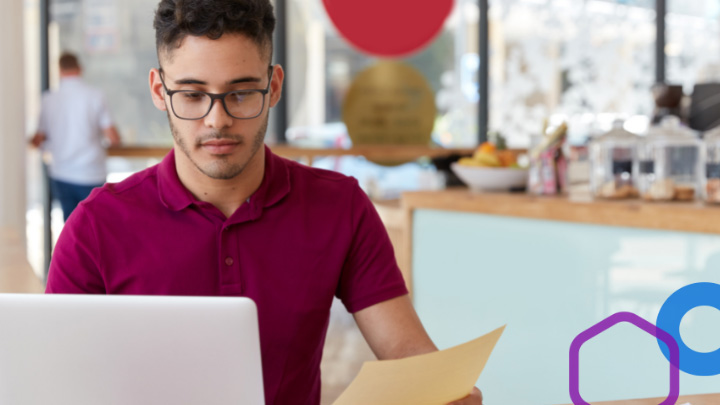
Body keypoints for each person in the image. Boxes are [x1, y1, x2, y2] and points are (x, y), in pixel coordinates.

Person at [45, 1, 483, 404]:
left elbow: (407, 352)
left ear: (273, 87)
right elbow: (54, 384)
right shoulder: (96, 227)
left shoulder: (340, 207)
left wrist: (443, 390)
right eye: (193, 95)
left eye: (240, 93)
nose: (217, 120)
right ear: (160, 91)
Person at [30, 52, 121, 221]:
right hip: (91, 172)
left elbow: (38, 138)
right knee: (95, 225)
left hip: (61, 172)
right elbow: (113, 137)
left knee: (71, 226)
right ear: (80, 69)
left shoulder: (48, 99)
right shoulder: (95, 95)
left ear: (59, 70)